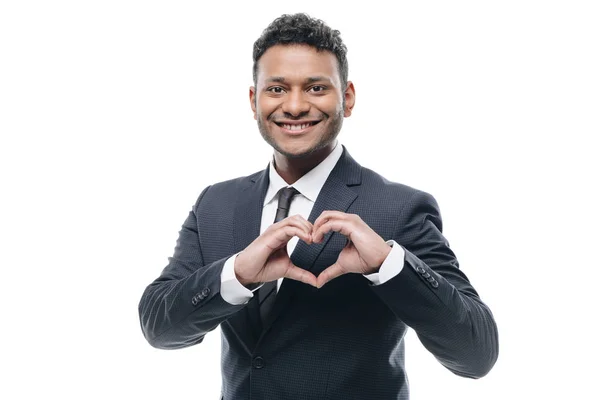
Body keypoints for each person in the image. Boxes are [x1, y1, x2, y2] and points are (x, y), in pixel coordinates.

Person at [138, 13, 499, 400]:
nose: (294, 106)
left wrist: (389, 265)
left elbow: (476, 355)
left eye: (315, 88)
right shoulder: (217, 203)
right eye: (276, 89)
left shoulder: (399, 207)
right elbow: (161, 329)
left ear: (347, 98)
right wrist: (236, 275)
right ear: (253, 100)